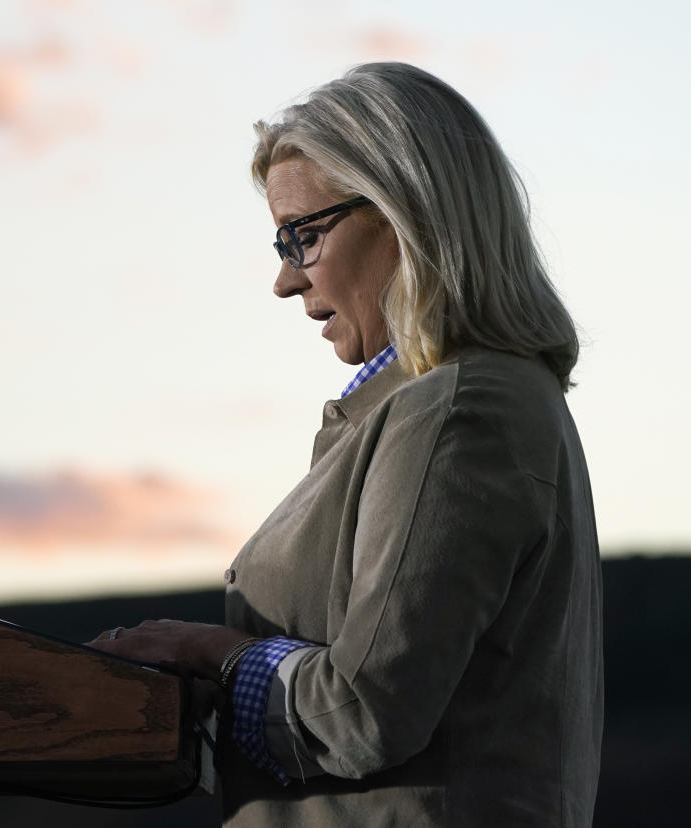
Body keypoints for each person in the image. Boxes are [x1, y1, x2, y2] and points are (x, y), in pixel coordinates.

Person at [89, 62, 603, 827]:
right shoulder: (433, 405)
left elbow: (365, 711)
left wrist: (217, 654)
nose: (285, 281)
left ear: (404, 215)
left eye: (302, 236)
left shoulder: (461, 410)